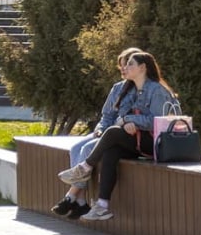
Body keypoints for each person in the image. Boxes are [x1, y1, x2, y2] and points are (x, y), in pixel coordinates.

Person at [57, 51, 179, 222]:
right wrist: (128, 122)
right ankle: (102, 206)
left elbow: (155, 121)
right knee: (111, 152)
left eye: (130, 64)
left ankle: (84, 168)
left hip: (155, 143)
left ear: (142, 67)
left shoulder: (156, 90)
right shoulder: (134, 88)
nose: (125, 67)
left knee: (113, 132)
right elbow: (121, 115)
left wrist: (128, 120)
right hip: (137, 138)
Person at [51, 48, 140, 220]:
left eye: (126, 66)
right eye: (120, 66)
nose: (123, 70)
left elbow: (129, 118)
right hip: (106, 130)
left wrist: (108, 130)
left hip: (119, 135)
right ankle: (82, 201)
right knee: (76, 148)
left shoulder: (140, 89)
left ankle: (71, 196)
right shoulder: (117, 88)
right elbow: (107, 115)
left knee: (86, 150)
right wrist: (100, 129)